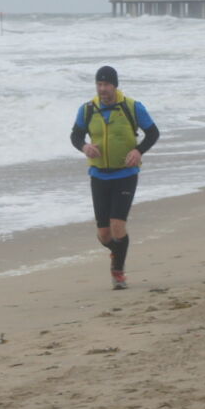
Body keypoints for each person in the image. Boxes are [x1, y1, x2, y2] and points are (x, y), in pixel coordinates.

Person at [70, 65, 159, 290]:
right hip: (99, 175)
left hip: (125, 174)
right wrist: (84, 147)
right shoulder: (87, 109)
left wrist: (138, 151)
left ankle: (118, 273)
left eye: (106, 85)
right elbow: (76, 134)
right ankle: (116, 254)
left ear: (115, 85)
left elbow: (153, 133)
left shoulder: (132, 107)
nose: (102, 89)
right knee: (104, 234)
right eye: (99, 85)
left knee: (118, 226)